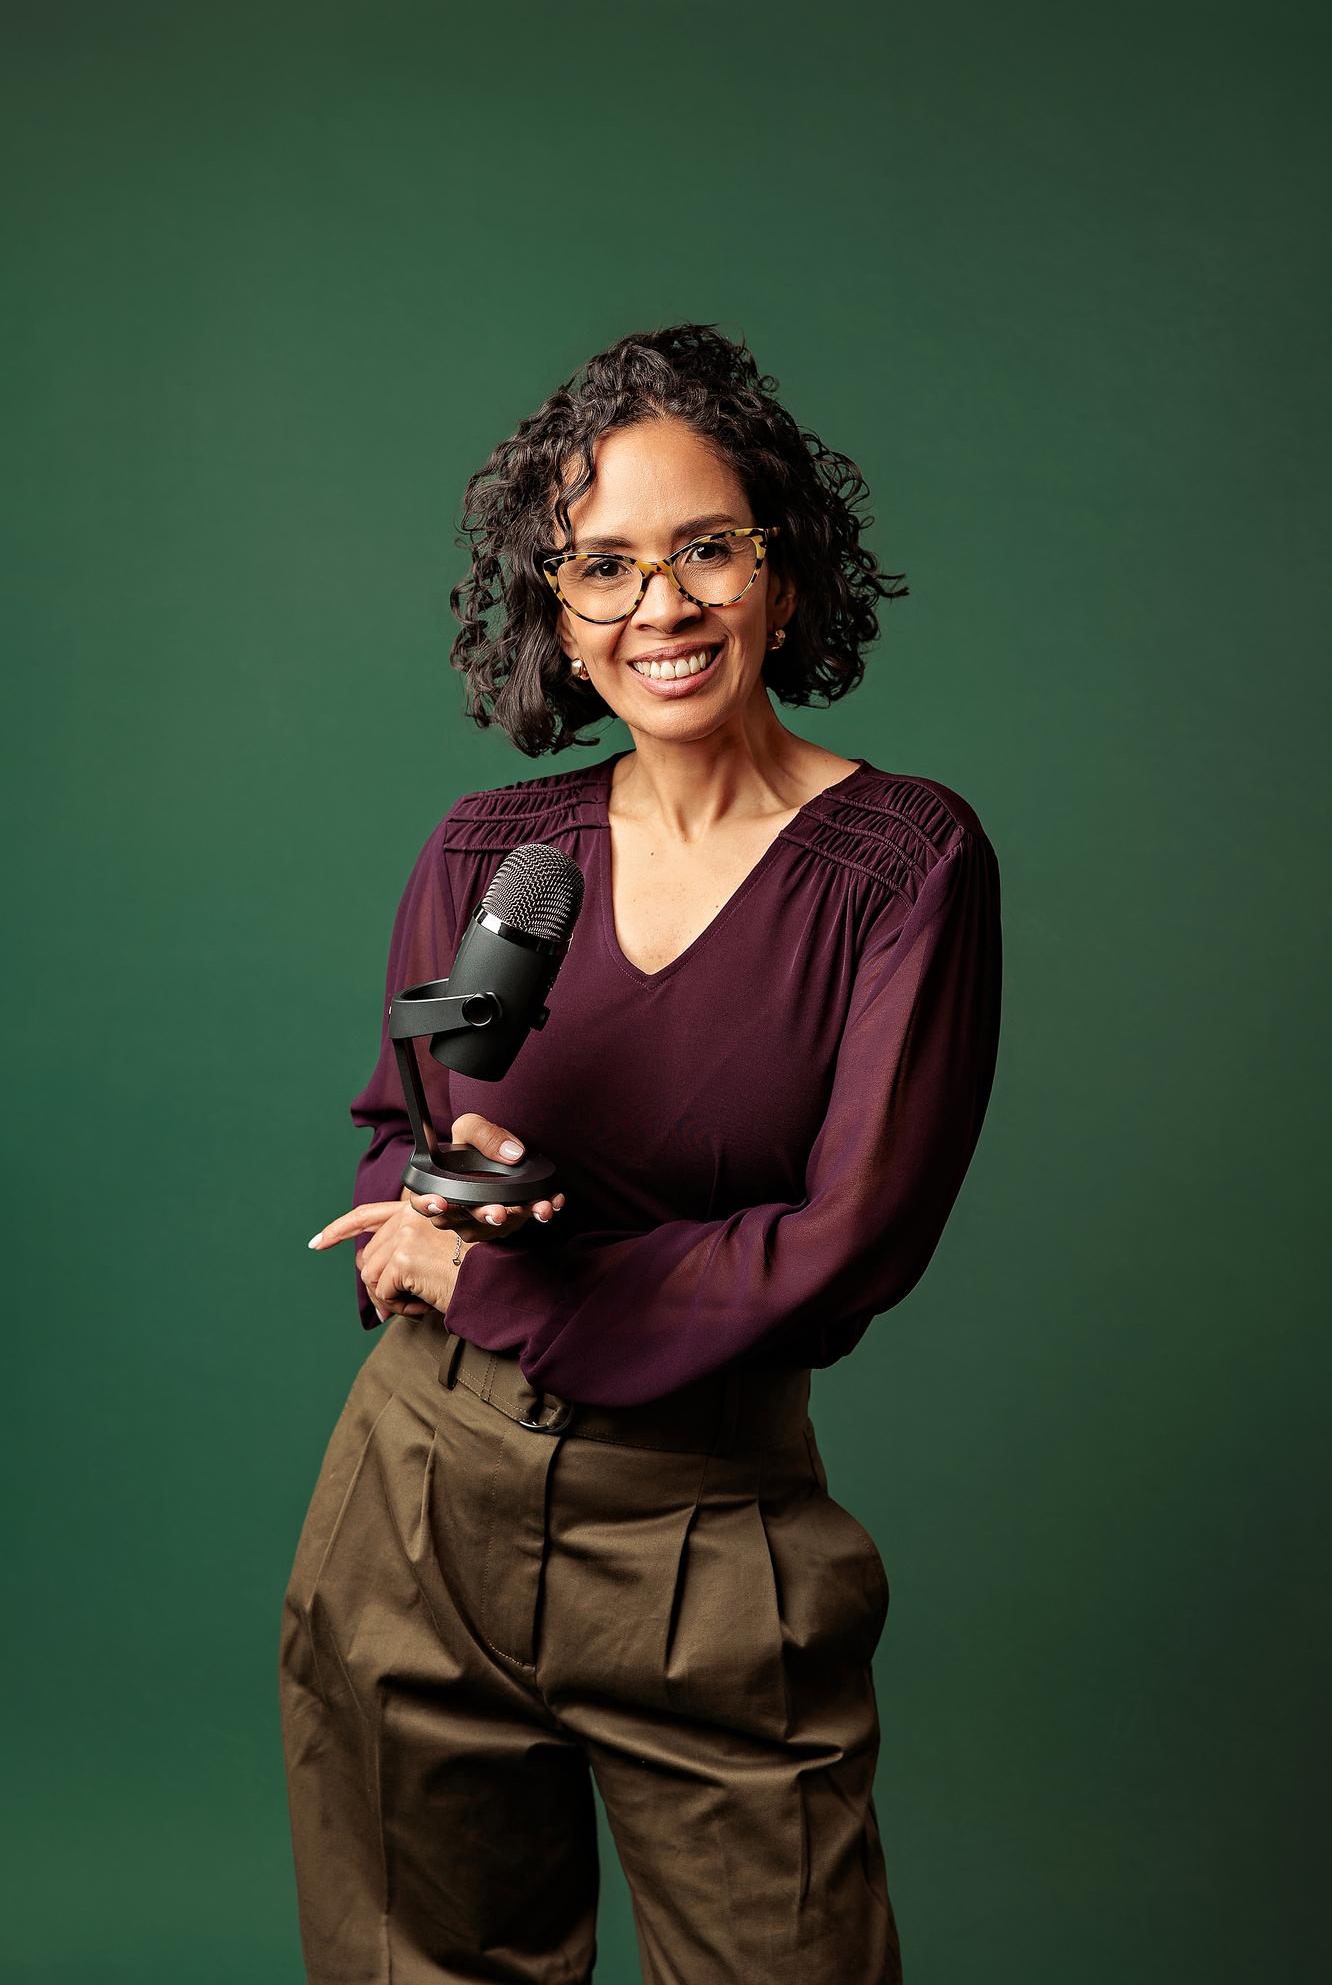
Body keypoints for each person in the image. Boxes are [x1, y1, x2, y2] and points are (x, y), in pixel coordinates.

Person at [279, 322, 1003, 1984]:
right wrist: (432, 1203)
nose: (656, 609)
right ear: (554, 609)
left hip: (702, 1529)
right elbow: (400, 1141)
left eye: (703, 550)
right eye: (600, 567)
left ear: (785, 570)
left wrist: (499, 1281)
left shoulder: (896, 865)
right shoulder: (492, 850)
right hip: (411, 1507)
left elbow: (847, 1245)